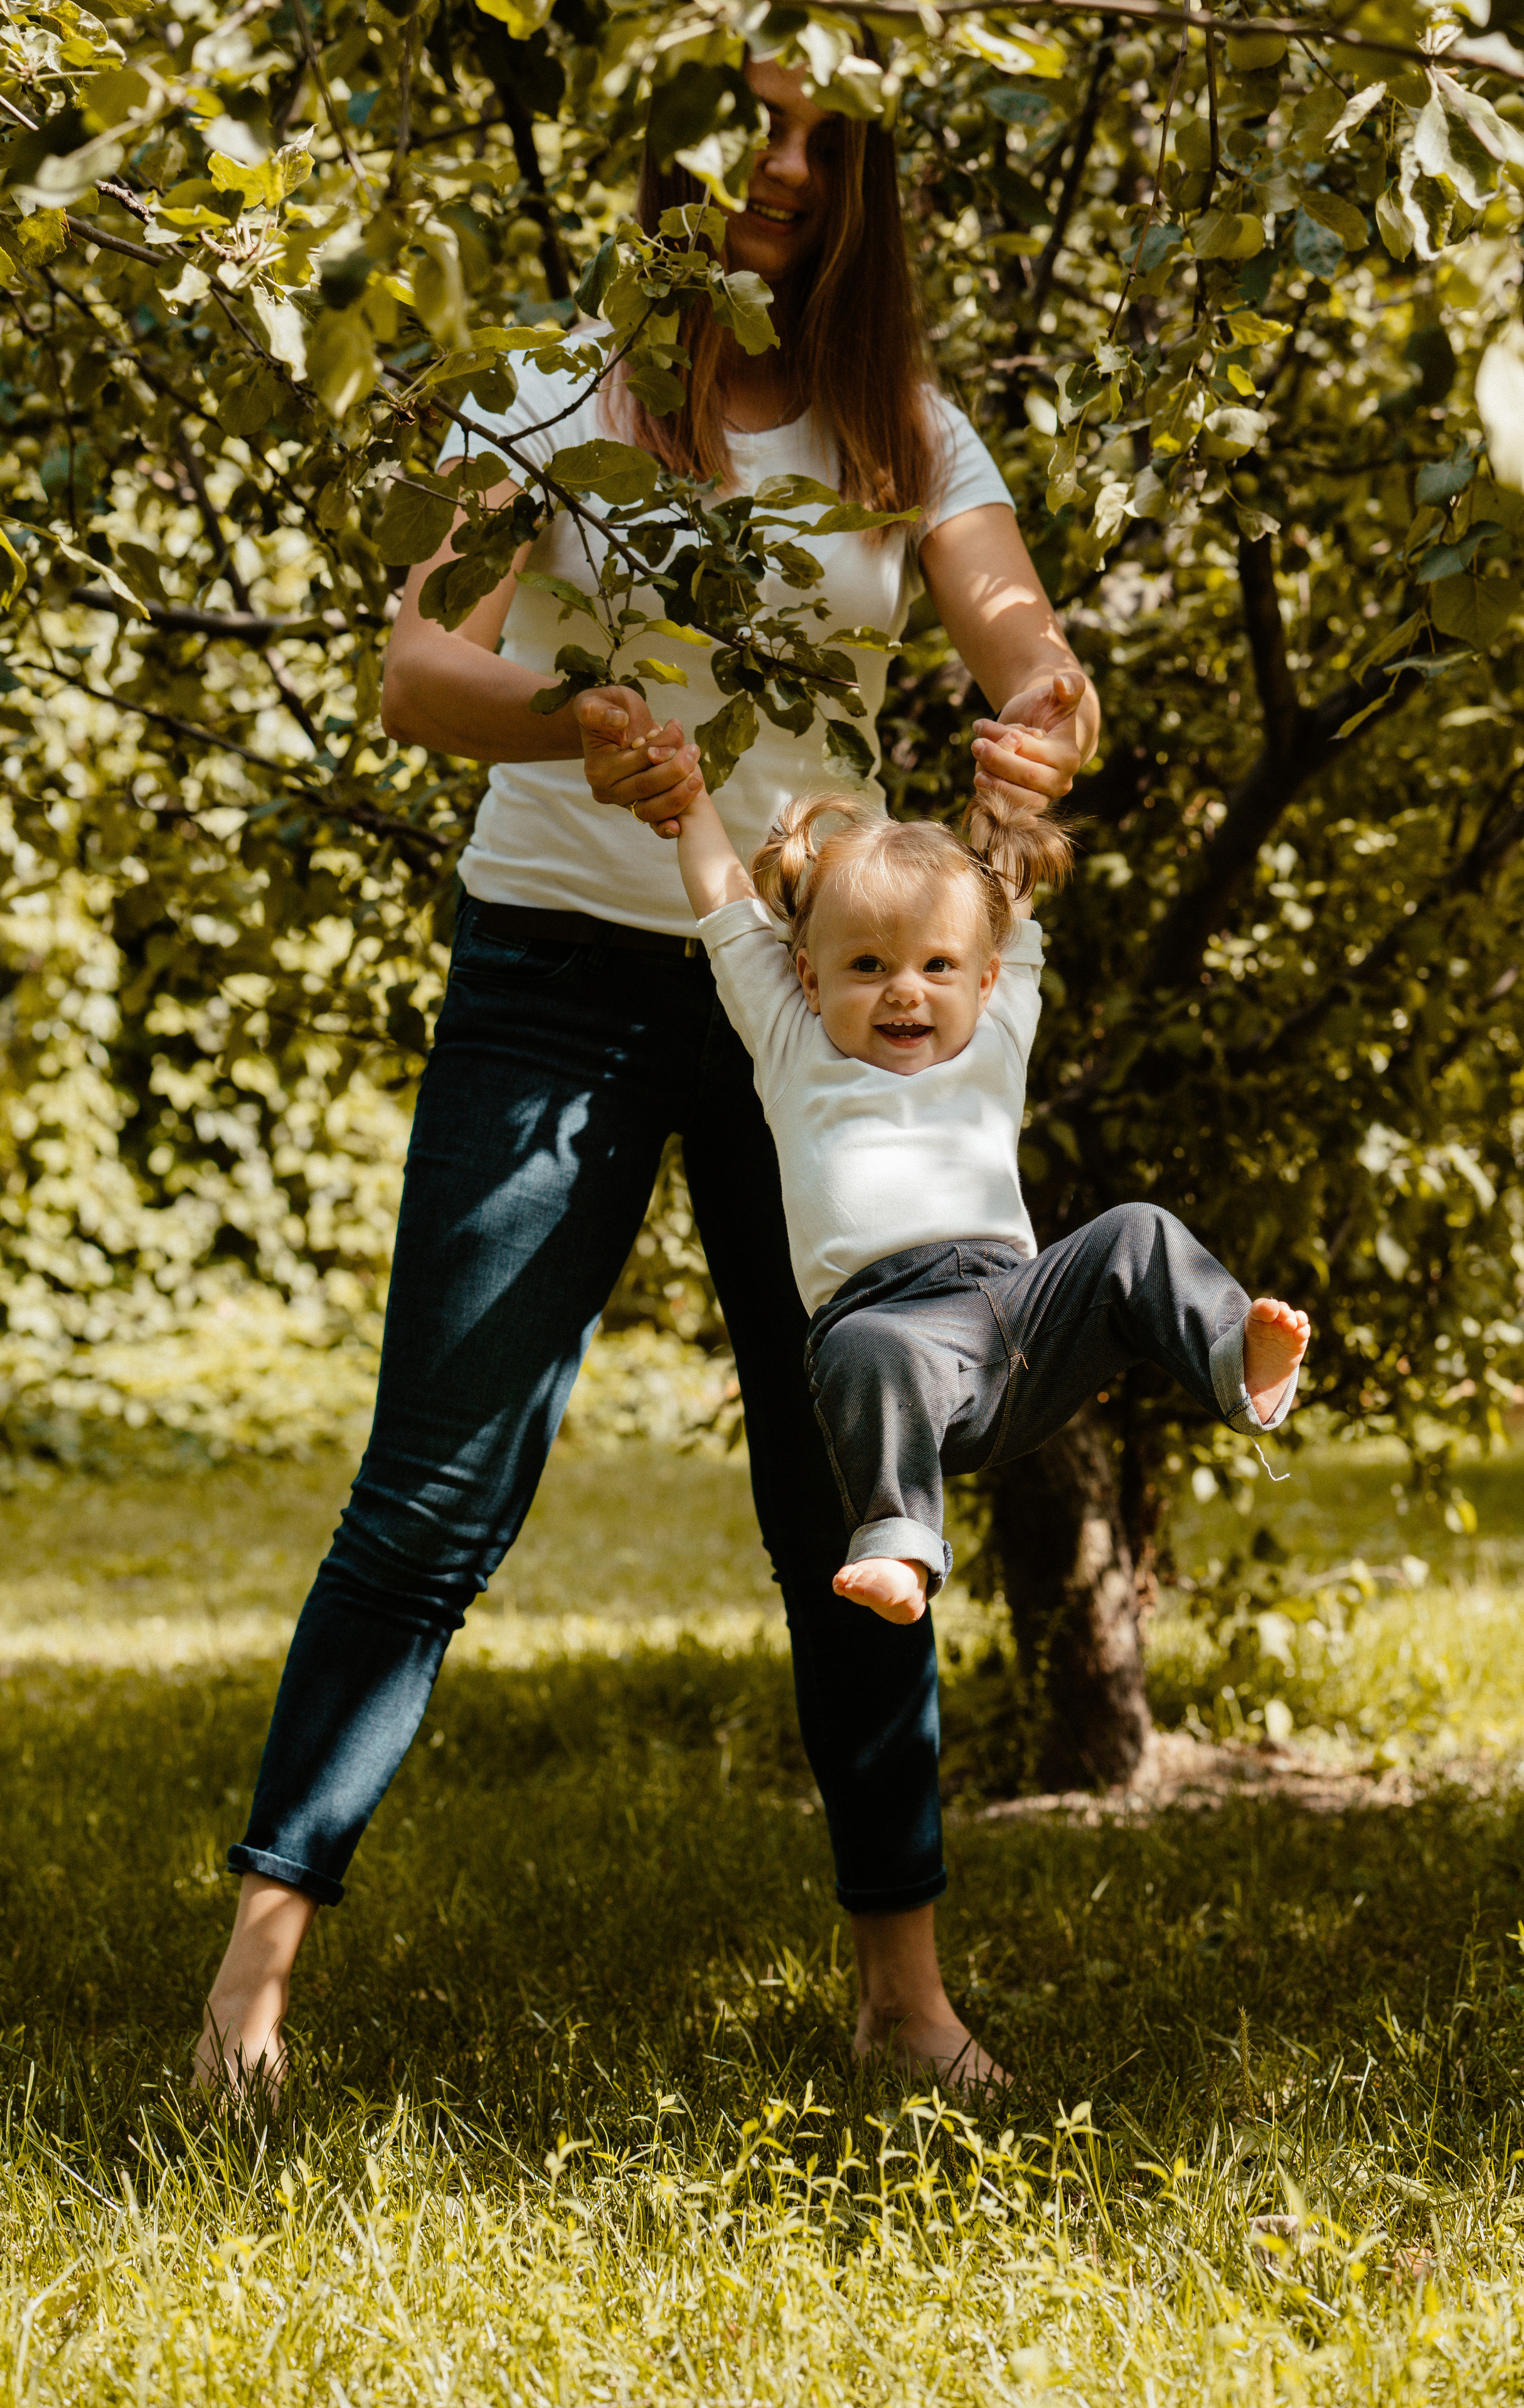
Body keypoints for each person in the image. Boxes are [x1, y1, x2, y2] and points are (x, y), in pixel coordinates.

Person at [194, 56, 1102, 2102]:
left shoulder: (905, 427)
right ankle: (249, 1985)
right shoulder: (539, 389)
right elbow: (419, 664)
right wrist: (571, 712)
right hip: (557, 987)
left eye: (821, 141)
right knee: (440, 1478)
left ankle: (905, 1994)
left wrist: (1047, 711)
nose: (781, 173)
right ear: (664, 161)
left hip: (817, 995)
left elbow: (1026, 644)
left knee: (852, 1492)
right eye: (744, 129)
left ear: (858, 181)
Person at [647, 773, 1312, 1652]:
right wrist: (692, 806)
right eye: (867, 966)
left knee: (1140, 1232)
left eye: (936, 965)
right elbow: (731, 921)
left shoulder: (994, 1028)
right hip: (900, 1335)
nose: (904, 991)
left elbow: (1009, 882)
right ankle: (901, 1539)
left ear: (988, 977)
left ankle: (1238, 1366)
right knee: (858, 1349)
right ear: (807, 977)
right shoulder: (792, 1045)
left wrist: (1015, 785)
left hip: (1023, 1314)